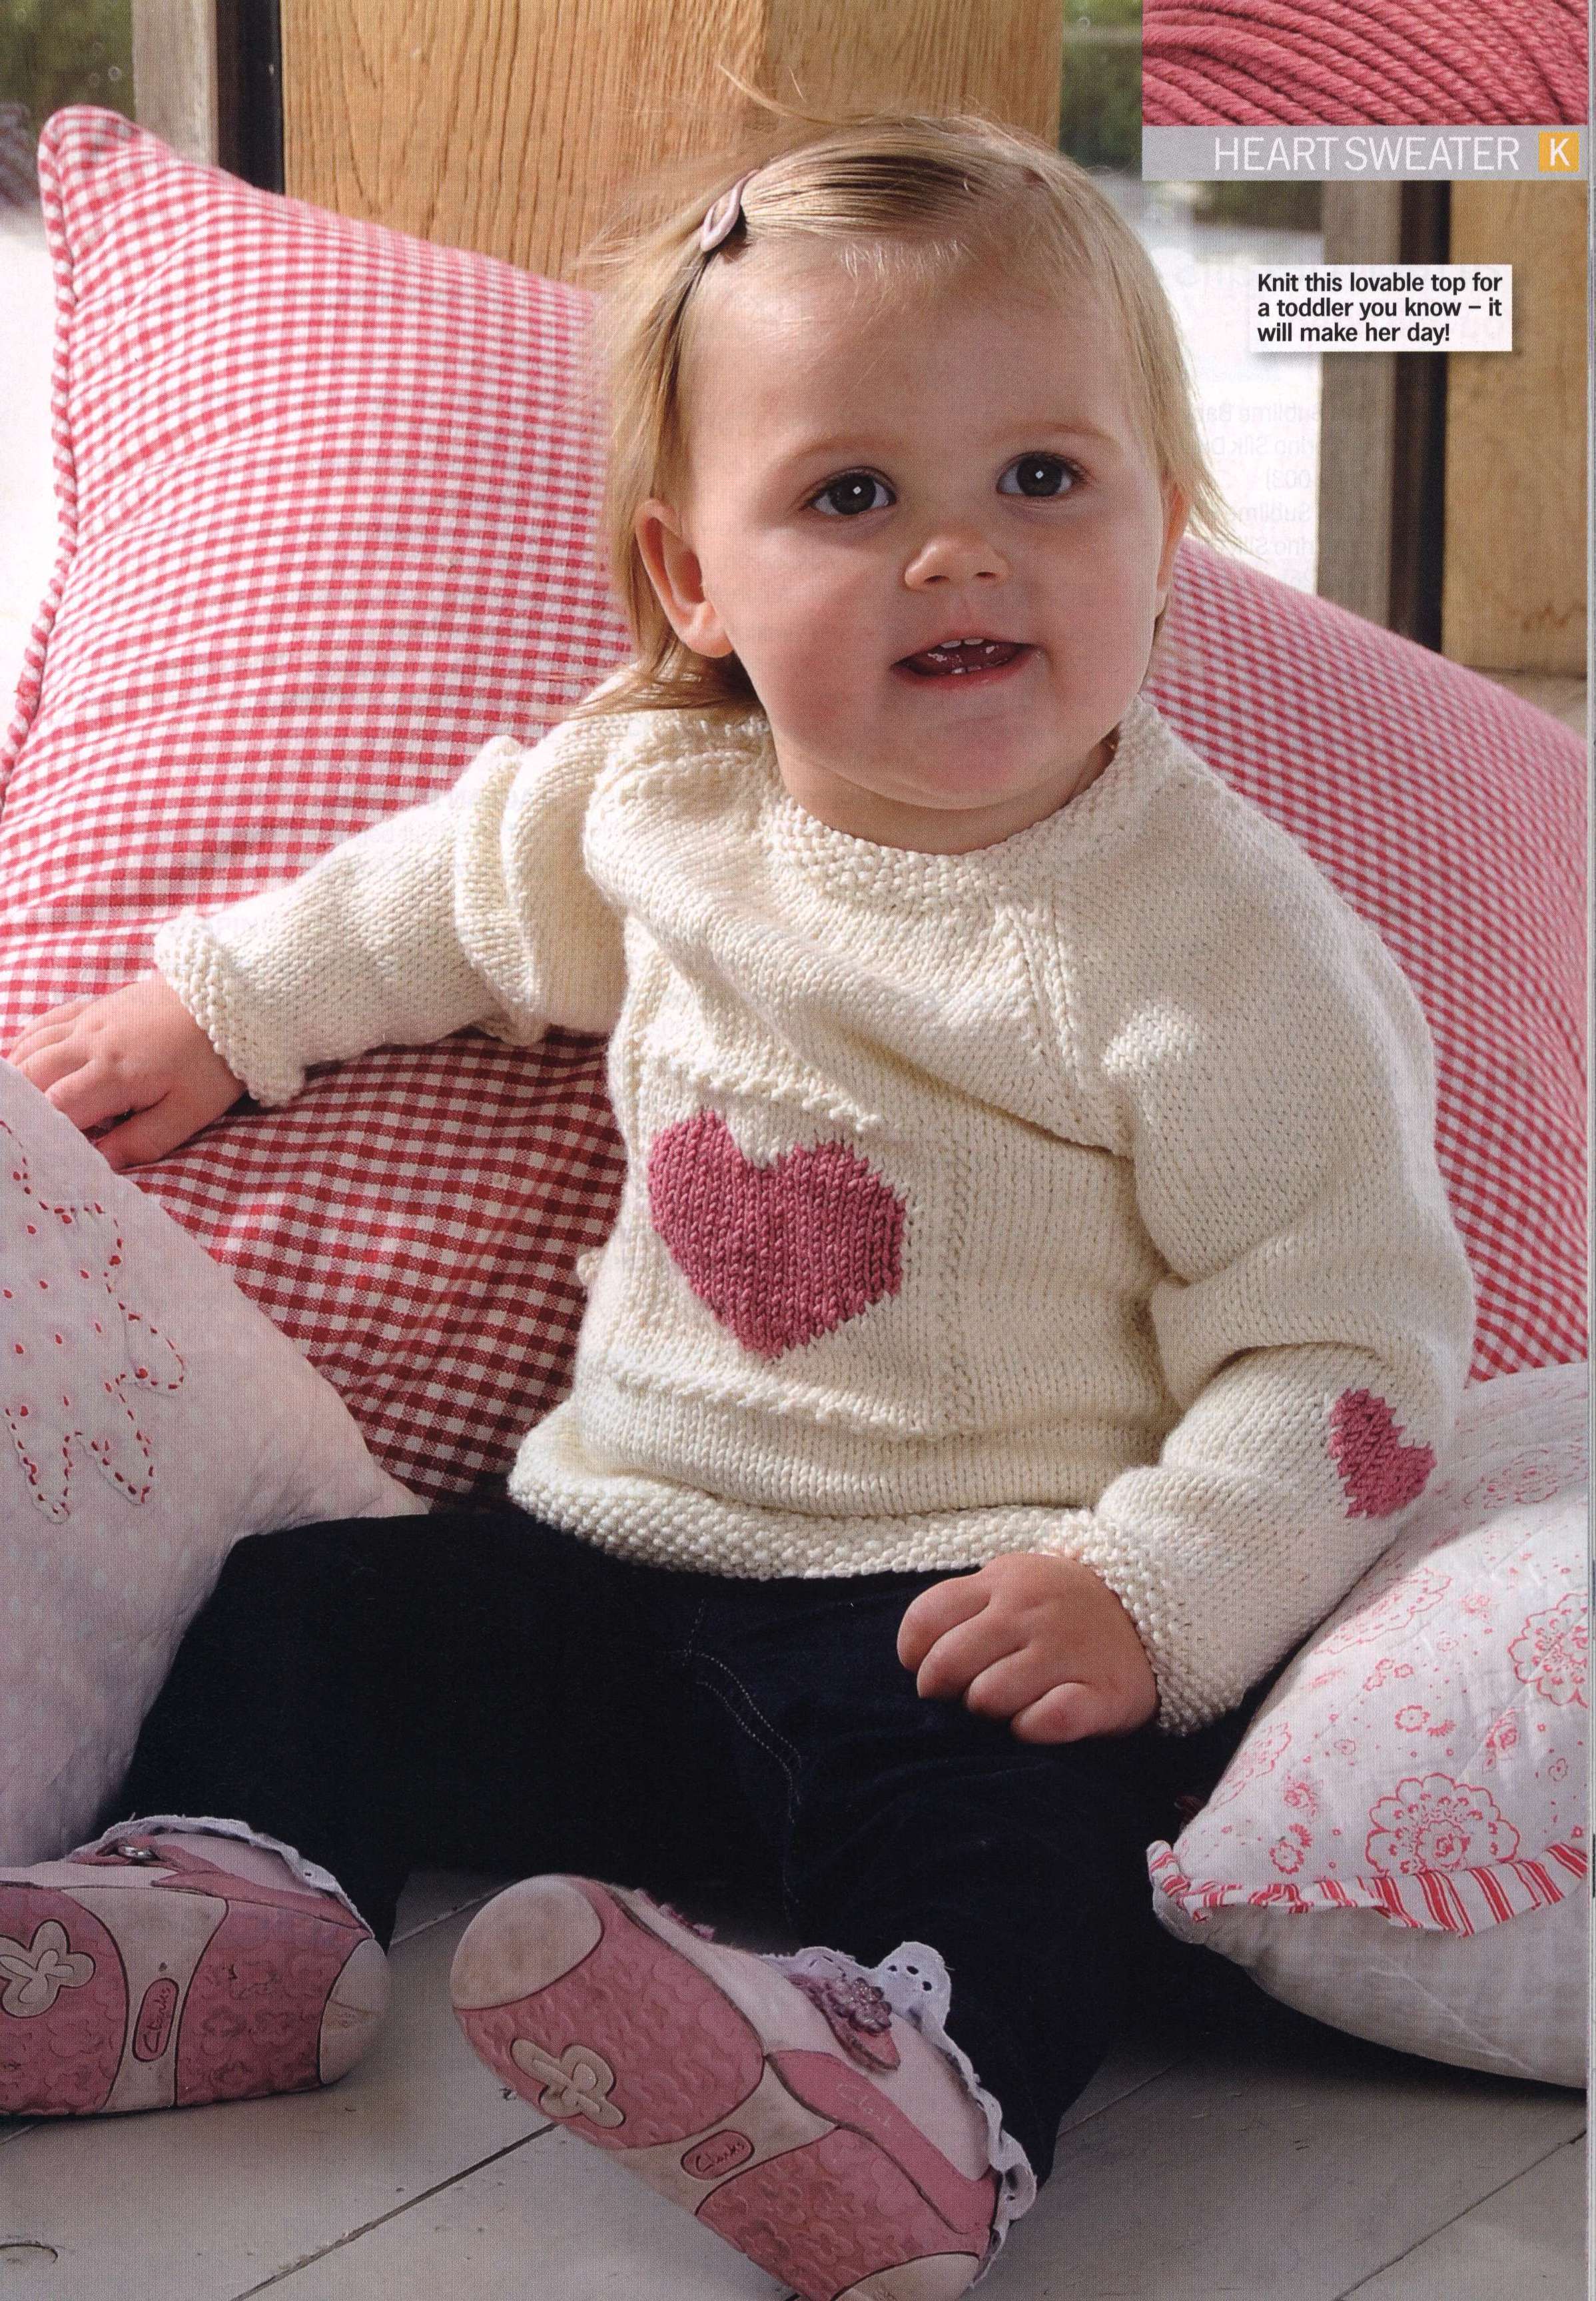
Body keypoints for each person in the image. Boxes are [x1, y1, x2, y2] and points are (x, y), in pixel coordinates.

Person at [0, 111, 1473, 2299]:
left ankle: (907, 2097)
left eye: (1041, 479)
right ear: (693, 574)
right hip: (606, 1559)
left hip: (957, 1610)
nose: (956, 558)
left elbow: (1345, 1346)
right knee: (317, 1604)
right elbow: (437, 901)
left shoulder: (1218, 948)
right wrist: (222, 1011)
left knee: (1029, 1830)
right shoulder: (656, 797)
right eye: (851, 496)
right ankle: (237, 1922)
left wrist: (1151, 1593)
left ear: (1162, 529)